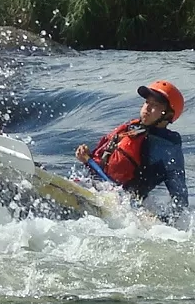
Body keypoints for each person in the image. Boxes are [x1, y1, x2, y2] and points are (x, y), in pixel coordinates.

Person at [75, 80, 188, 222]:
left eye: (155, 106)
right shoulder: (132, 130)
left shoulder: (169, 150)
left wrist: (162, 222)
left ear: (168, 115)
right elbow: (105, 166)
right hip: (97, 189)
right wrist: (86, 157)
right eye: (147, 102)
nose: (147, 108)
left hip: (123, 206)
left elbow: (180, 202)